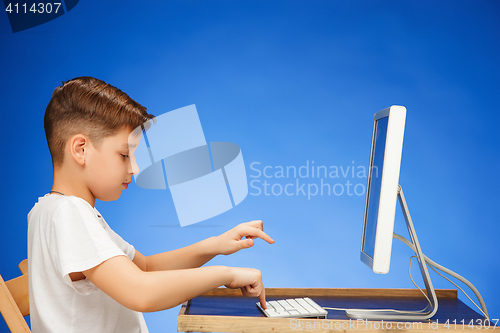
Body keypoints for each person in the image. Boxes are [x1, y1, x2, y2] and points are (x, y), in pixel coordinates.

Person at [28, 76, 274, 332]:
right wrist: (227, 275)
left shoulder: (51, 211)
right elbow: (141, 291)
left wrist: (216, 245)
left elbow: (145, 268)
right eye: (124, 155)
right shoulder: (69, 213)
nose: (134, 168)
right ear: (80, 149)